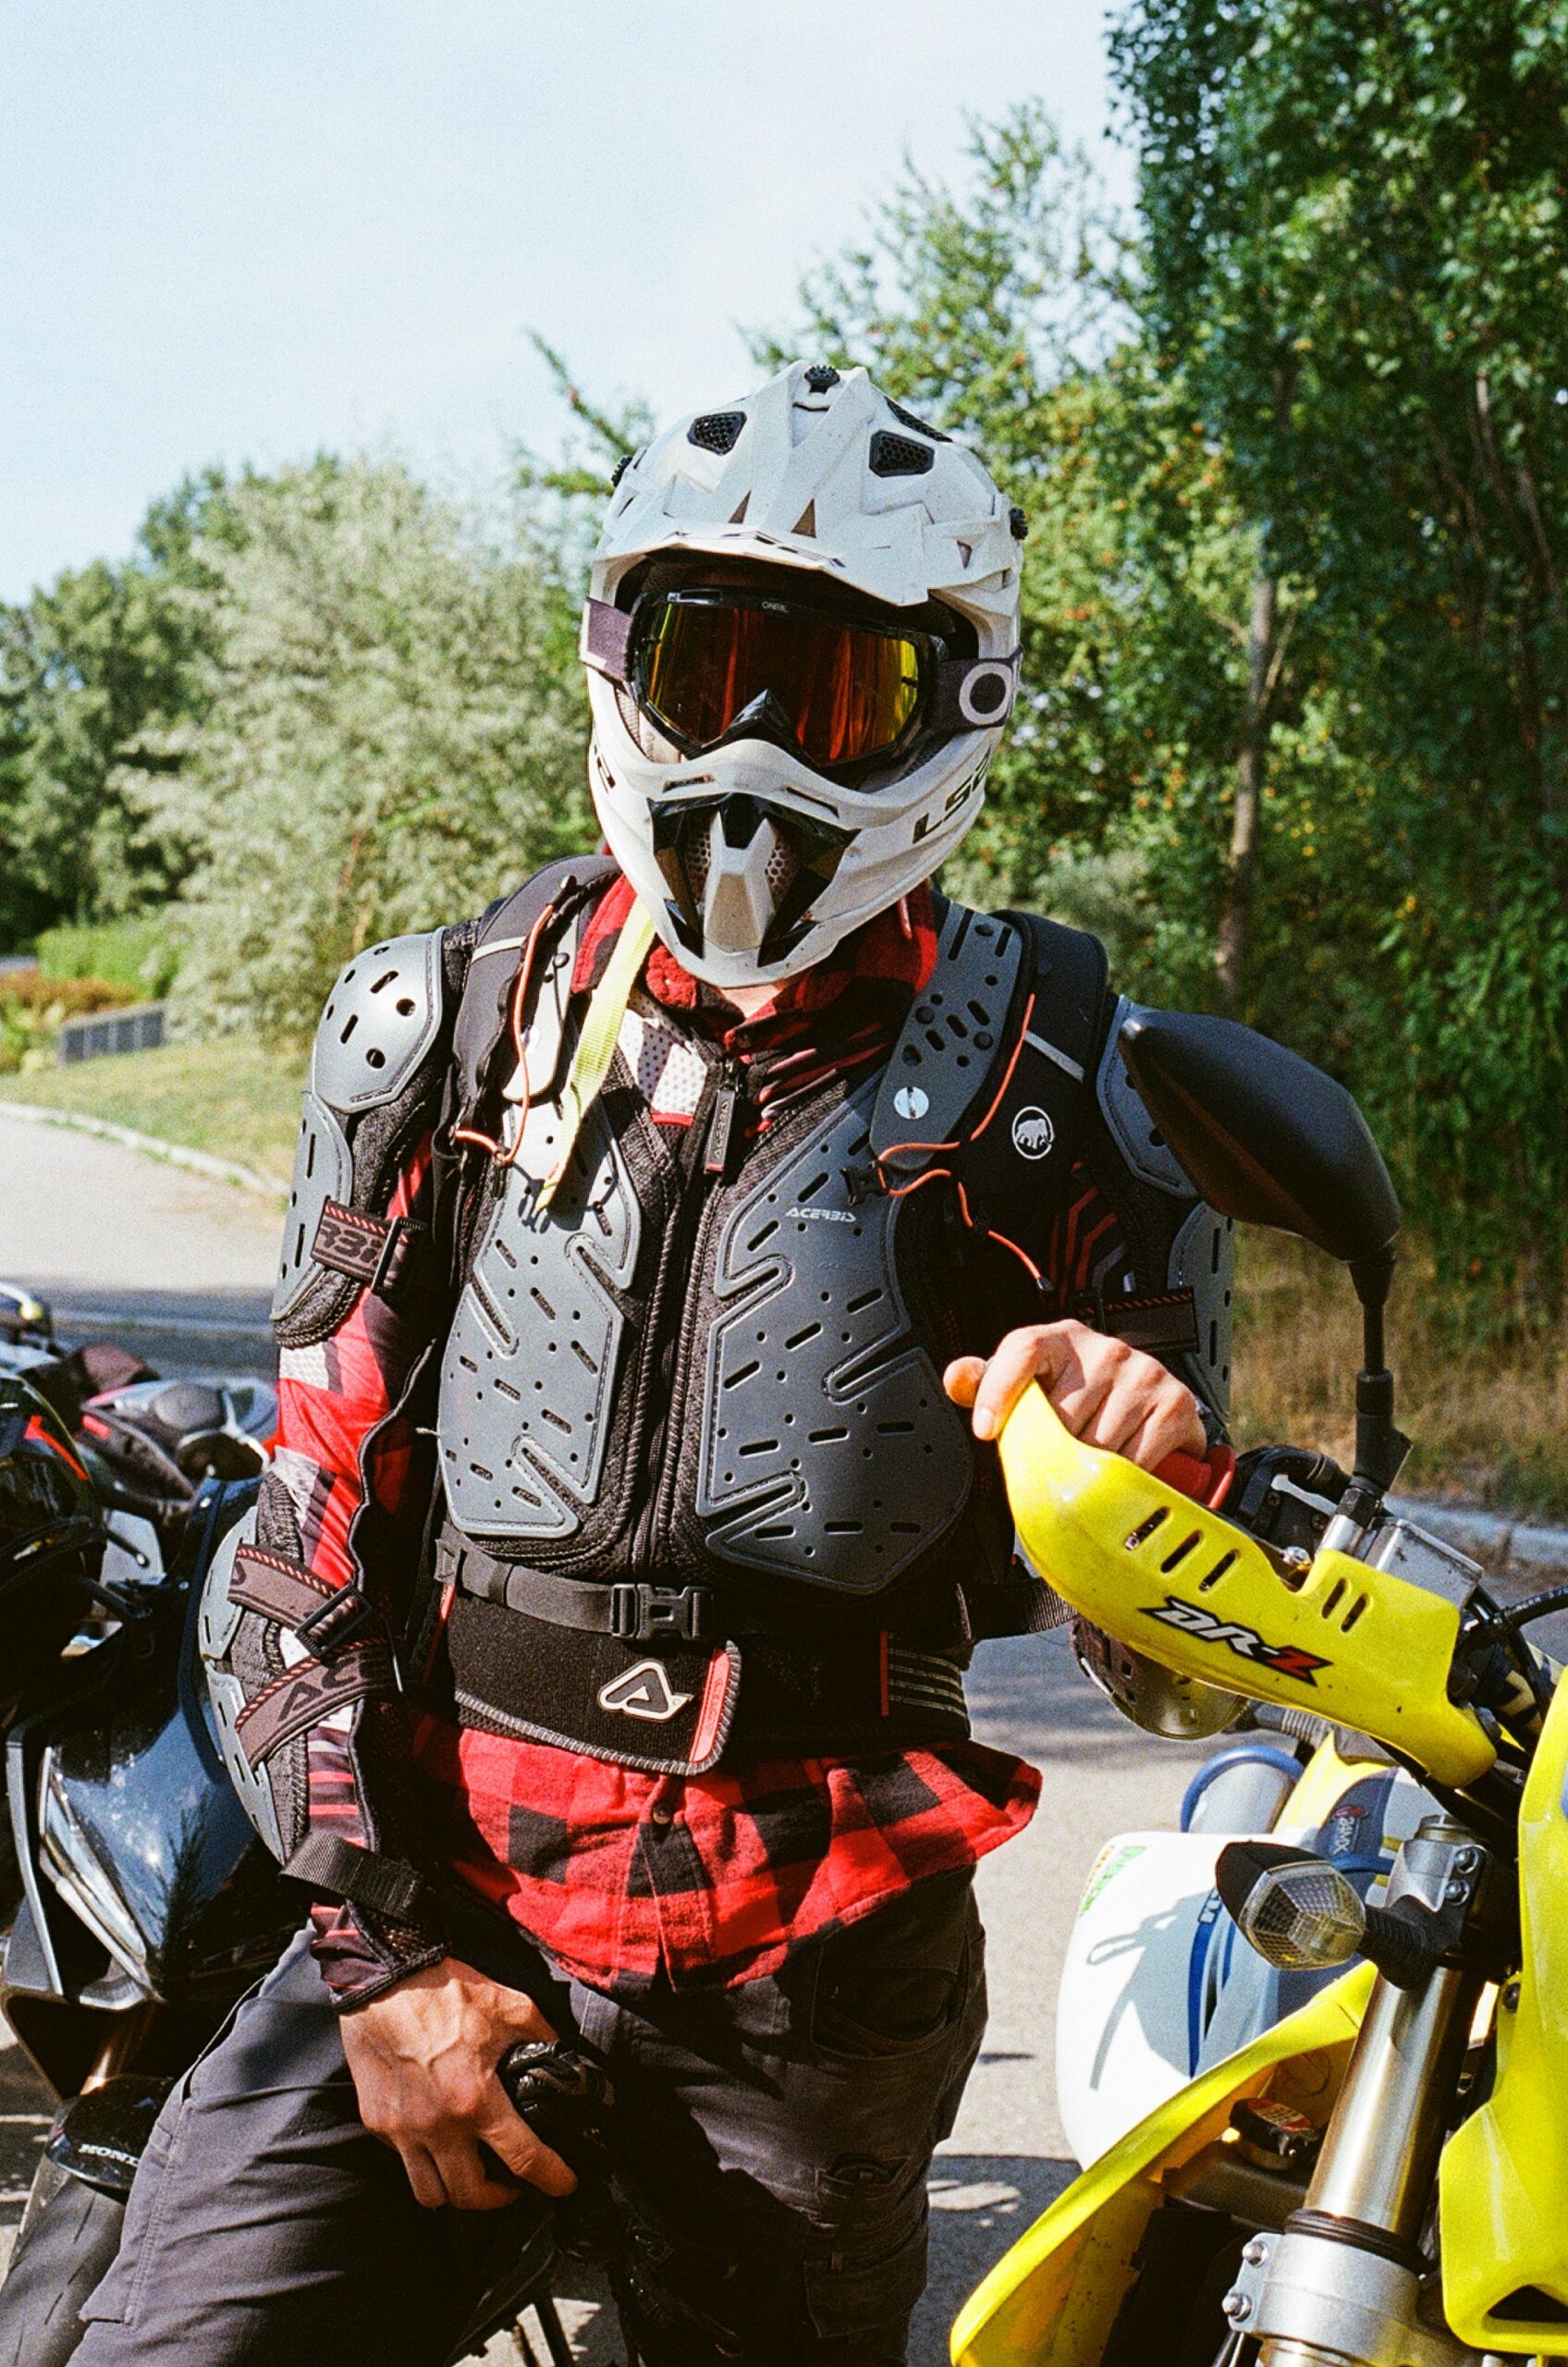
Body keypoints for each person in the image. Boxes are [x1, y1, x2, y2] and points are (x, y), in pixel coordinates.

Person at [76, 361, 1233, 2367]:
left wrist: (1161, 1487)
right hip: (440, 1911)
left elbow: (1179, 1676)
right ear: (626, 662)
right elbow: (296, 1553)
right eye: (714, 667)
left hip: (814, 1974)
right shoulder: (446, 1023)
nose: (761, 746)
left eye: (834, 689)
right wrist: (381, 1961)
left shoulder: (1072, 1091)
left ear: (954, 702)